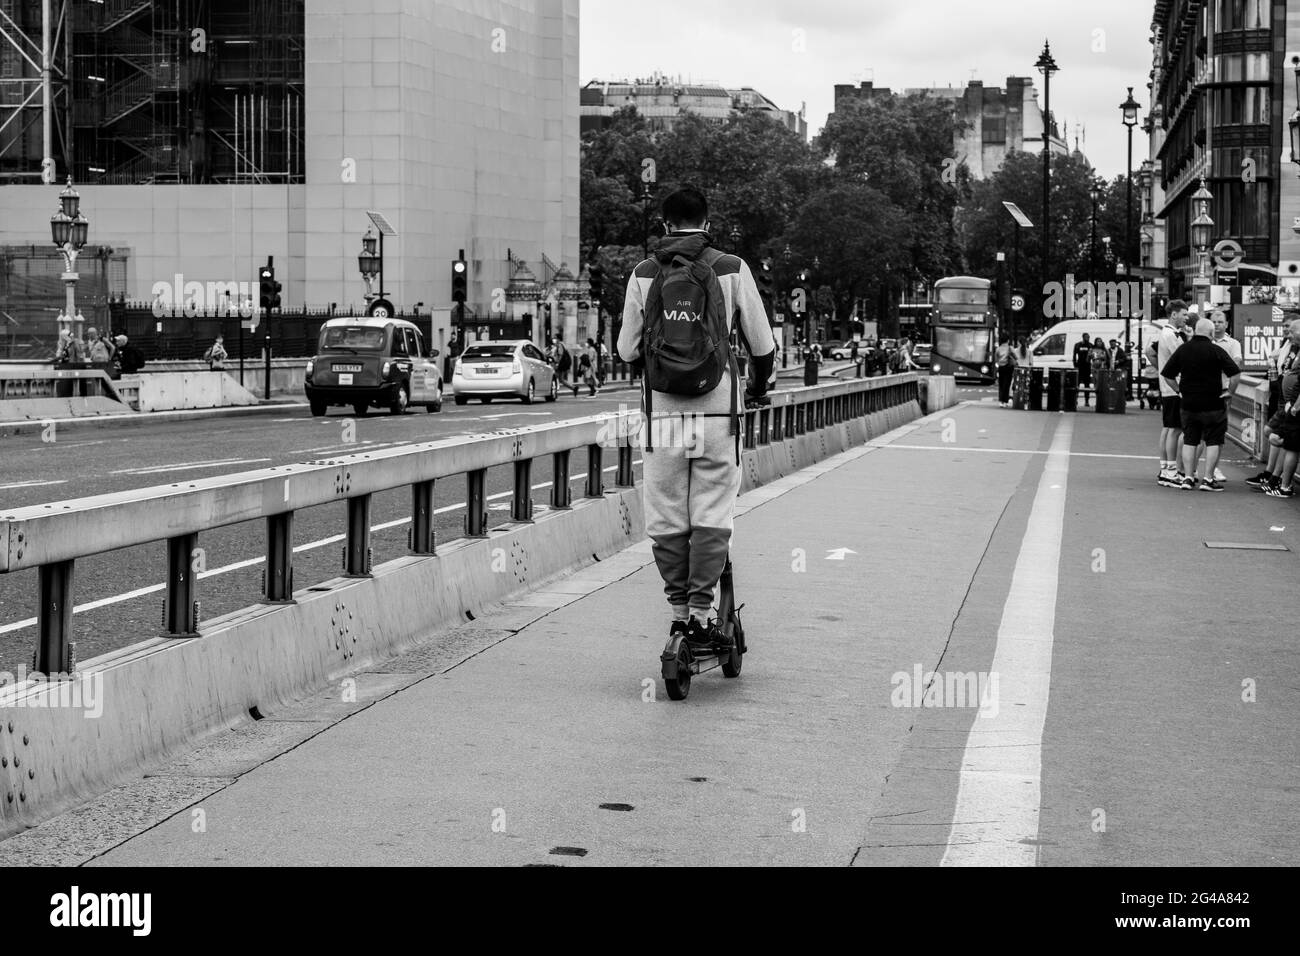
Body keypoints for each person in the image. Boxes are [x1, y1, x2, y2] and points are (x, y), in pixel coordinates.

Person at [617, 185, 776, 650]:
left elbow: (627, 349)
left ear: (665, 225)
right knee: (712, 513)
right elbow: (762, 346)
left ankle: (678, 614)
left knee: (667, 514)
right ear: (708, 223)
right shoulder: (731, 268)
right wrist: (759, 387)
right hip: (718, 413)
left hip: (664, 416)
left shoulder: (644, 273)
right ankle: (704, 616)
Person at [1160, 317, 1240, 492]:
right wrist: (1230, 392)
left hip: (1189, 404)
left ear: (1196, 331)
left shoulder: (1183, 349)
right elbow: (1235, 373)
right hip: (1214, 403)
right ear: (1211, 333)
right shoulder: (1216, 350)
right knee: (1213, 441)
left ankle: (1188, 477)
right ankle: (1208, 479)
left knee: (1190, 440)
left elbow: (1167, 374)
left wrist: (1179, 390)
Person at [1248, 319, 1300, 492]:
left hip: (1291, 403)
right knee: (1273, 434)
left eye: (1291, 329)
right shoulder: (1289, 345)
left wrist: (1294, 405)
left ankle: (1277, 480)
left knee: (1285, 441)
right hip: (1284, 399)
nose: (1288, 332)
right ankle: (1273, 476)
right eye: (1286, 327)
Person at [1151, 300, 1190, 487]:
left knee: (1168, 429)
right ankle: (1170, 471)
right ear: (1173, 314)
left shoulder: (1167, 333)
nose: (1186, 317)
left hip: (1167, 387)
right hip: (1174, 387)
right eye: (1183, 314)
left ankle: (1166, 468)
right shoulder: (1171, 335)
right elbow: (1183, 357)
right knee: (1175, 429)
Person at [994, 335, 1015, 406]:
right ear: (1007, 340)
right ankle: (1005, 401)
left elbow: (996, 359)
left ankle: (1000, 401)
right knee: (1007, 384)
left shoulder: (998, 349)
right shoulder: (1010, 348)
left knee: (1001, 384)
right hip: (1009, 367)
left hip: (1001, 367)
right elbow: (1016, 357)